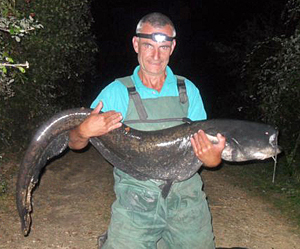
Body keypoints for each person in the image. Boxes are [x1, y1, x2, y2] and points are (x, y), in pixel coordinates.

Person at [69, 12, 226, 249]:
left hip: (186, 202)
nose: (156, 55)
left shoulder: (188, 90)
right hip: (136, 201)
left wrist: (213, 160)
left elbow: (207, 153)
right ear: (135, 44)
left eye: (163, 47)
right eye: (148, 46)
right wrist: (82, 131)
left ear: (172, 47)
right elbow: (74, 143)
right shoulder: (117, 92)